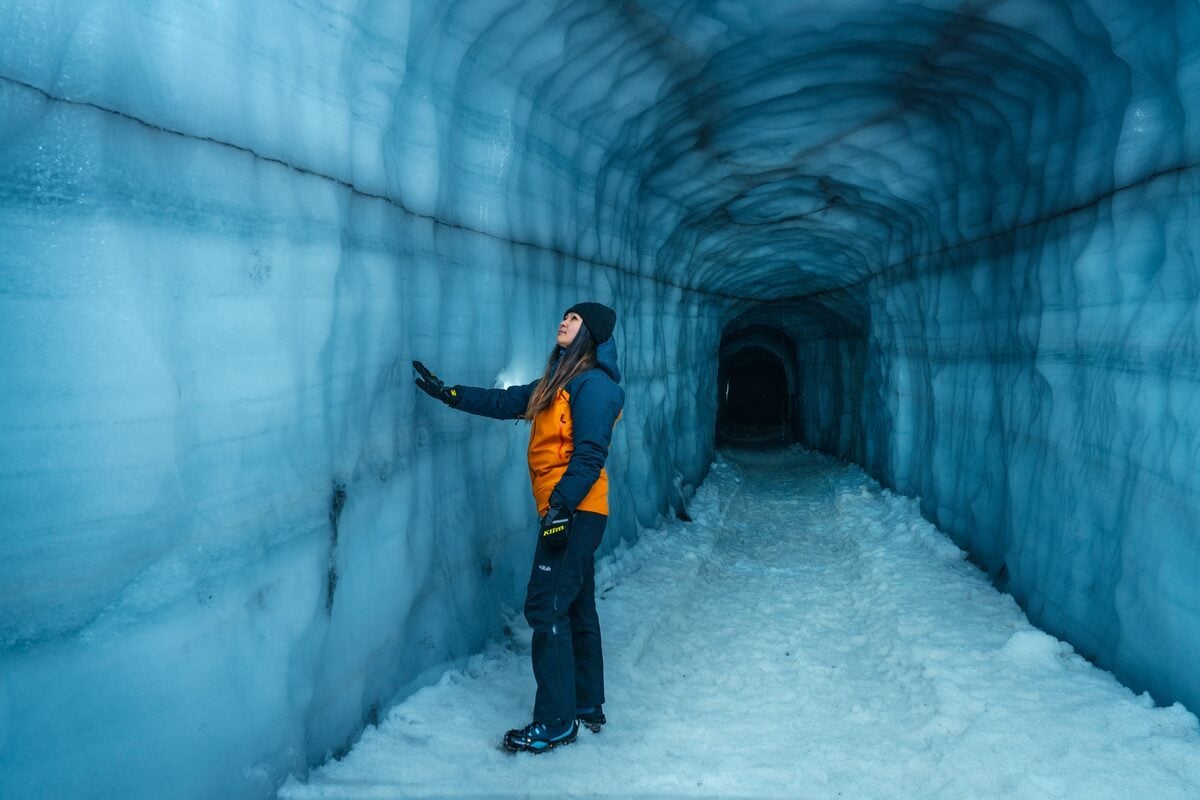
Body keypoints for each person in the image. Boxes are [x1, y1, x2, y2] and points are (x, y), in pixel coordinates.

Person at [413, 302, 625, 754]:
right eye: (565, 315)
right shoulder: (559, 383)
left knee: (546, 607)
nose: (564, 321)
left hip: (575, 509)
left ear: (591, 333)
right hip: (569, 507)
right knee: (575, 604)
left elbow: (590, 454)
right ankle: (586, 704)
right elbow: (505, 401)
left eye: (575, 319)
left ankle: (555, 722)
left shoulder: (594, 385)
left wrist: (561, 506)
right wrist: (450, 394)